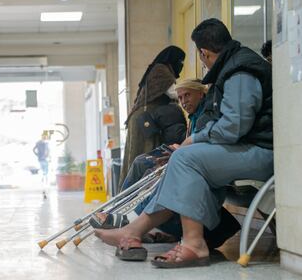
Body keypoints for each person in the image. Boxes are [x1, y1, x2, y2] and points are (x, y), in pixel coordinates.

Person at [95, 18, 273, 268]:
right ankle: (136, 230)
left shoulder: (239, 71)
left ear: (204, 53)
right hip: (253, 149)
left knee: (186, 159)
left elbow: (234, 127)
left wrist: (196, 139)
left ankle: (191, 243)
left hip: (264, 153)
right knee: (185, 162)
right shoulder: (234, 66)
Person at [91, 79, 240, 250]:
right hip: (190, 164)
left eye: (187, 95)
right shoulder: (194, 116)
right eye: (181, 97)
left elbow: (204, 148)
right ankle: (123, 212)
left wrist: (179, 151)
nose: (184, 101)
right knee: (143, 162)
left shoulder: (206, 115)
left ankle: (127, 218)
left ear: (201, 93)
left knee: (156, 173)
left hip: (199, 181)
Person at [118, 46, 187, 191]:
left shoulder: (156, 69)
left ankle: (127, 194)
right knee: (145, 157)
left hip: (141, 120)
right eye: (180, 60)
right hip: (146, 122)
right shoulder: (162, 70)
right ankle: (137, 194)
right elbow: (174, 93)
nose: (181, 64)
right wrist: (193, 88)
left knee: (134, 157)